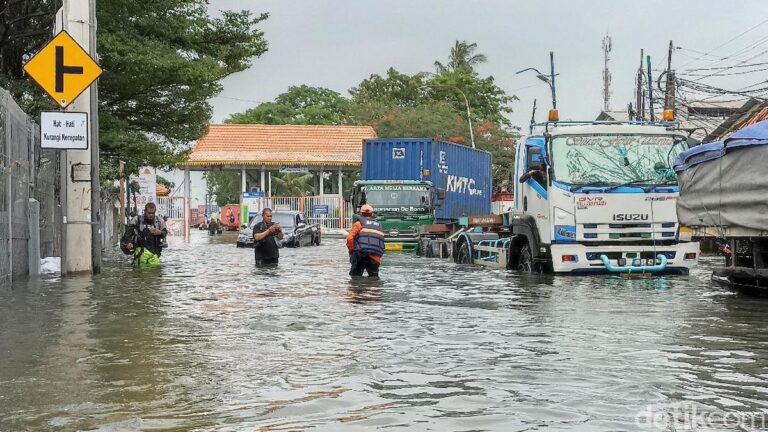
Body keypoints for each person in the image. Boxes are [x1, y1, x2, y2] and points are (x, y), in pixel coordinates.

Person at [120, 202, 168, 267]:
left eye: (153, 213)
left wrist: (160, 232)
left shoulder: (159, 221)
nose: (151, 215)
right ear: (145, 211)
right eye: (149, 213)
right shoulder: (137, 219)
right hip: (140, 252)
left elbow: (165, 233)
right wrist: (129, 242)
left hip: (155, 254)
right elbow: (128, 233)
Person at [346, 204, 385, 277]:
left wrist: (351, 250)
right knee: (374, 279)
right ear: (372, 214)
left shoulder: (358, 223)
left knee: (355, 278)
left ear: (361, 213)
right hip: (375, 256)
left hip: (360, 254)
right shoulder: (379, 225)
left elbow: (349, 238)